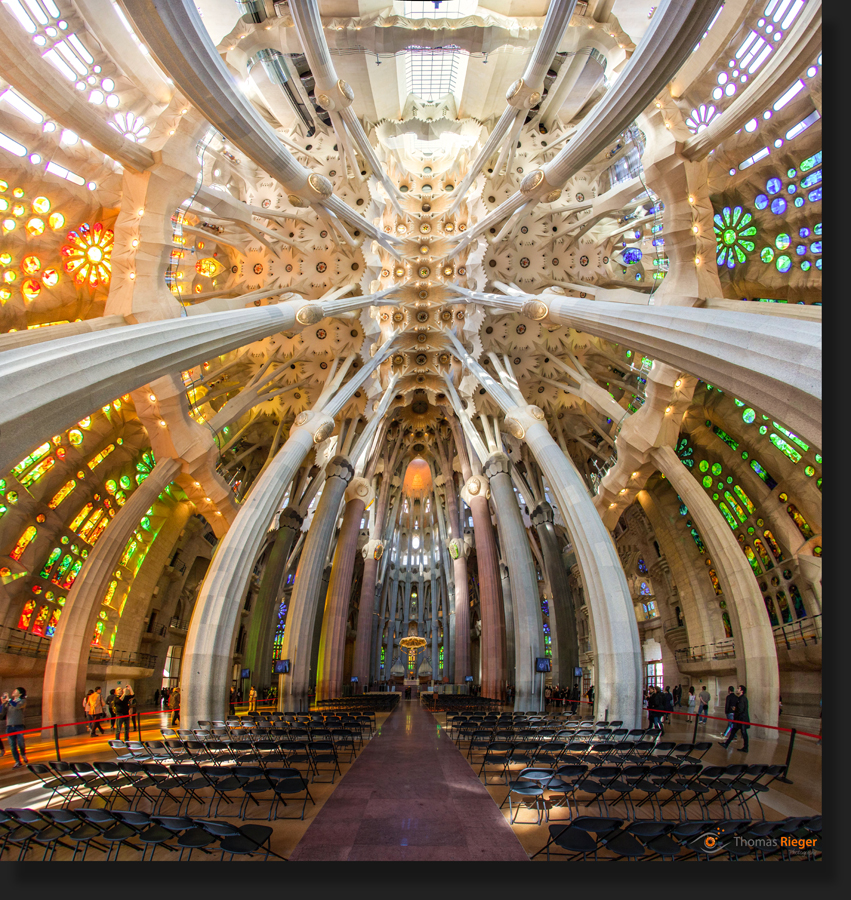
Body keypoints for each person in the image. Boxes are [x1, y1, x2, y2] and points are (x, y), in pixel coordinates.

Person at [1, 688, 28, 767]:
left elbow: (17, 706)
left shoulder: (22, 701)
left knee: (20, 743)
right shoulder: (9, 702)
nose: (13, 691)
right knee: (12, 745)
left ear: (20, 694)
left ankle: (23, 754)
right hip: (9, 726)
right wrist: (3, 703)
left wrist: (9, 700)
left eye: (16, 691)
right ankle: (17, 761)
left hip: (18, 725)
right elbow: (2, 712)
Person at [720, 685, 750, 753]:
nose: (737, 690)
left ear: (742, 691)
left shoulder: (742, 698)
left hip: (741, 719)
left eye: (738, 689)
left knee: (744, 733)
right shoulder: (740, 698)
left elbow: (741, 709)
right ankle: (726, 744)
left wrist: (735, 709)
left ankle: (746, 747)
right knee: (733, 731)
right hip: (739, 719)